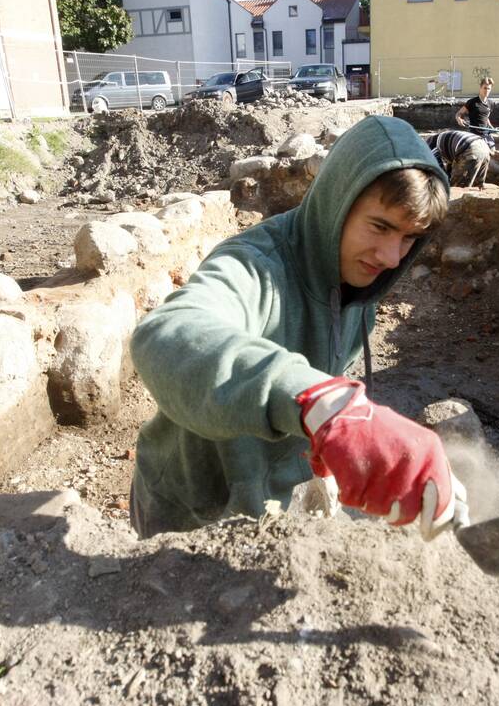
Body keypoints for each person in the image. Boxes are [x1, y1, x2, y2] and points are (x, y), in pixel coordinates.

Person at [129, 115, 467, 542]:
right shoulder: (256, 267)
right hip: (192, 511)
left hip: (270, 503)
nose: (391, 256)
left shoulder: (359, 279)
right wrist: (325, 405)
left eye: (408, 238)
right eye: (380, 227)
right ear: (337, 202)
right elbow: (166, 334)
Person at [425, 130, 491, 187]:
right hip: (484, 146)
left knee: (458, 187)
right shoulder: (445, 140)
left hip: (470, 149)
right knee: (477, 185)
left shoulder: (430, 146)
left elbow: (439, 170)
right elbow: (450, 166)